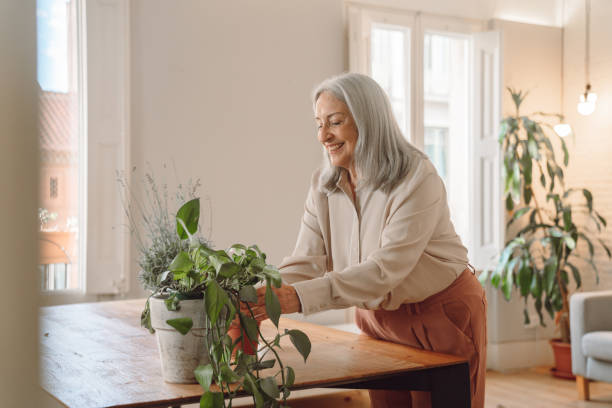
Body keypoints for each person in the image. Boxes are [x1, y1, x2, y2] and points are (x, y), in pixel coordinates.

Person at [246, 73, 487, 408]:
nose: (323, 135)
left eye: (335, 122)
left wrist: (296, 298)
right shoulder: (323, 184)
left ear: (368, 121)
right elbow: (307, 260)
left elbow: (383, 272)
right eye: (318, 124)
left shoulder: (417, 177)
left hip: (440, 313)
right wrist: (258, 292)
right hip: (378, 318)